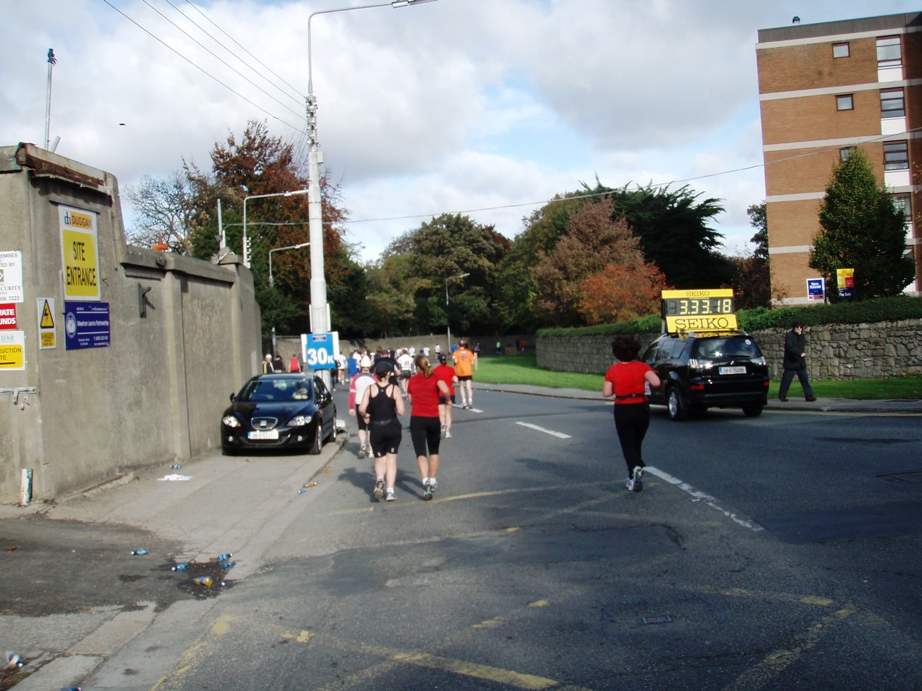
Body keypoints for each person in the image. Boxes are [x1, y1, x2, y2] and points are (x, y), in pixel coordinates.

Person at [602, 336, 661, 492]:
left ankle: (636, 466)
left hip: (623, 408)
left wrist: (619, 386)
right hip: (641, 407)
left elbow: (607, 393)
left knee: (627, 444)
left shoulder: (613, 369)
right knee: (636, 442)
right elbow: (656, 382)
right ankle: (633, 477)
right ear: (635, 351)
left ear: (616, 353)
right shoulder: (642, 367)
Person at [359, 361, 405, 502]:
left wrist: (366, 416)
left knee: (380, 459)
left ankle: (380, 479)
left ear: (376, 375)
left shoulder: (370, 389)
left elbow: (361, 408)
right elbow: (402, 411)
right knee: (391, 460)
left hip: (376, 427)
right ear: (388, 374)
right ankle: (390, 491)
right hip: (392, 426)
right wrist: (394, 407)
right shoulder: (394, 389)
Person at [407, 354, 450, 501]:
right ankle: (432, 480)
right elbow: (445, 389)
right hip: (433, 418)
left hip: (417, 419)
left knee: (420, 453)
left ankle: (425, 481)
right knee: (434, 451)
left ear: (417, 367)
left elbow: (410, 400)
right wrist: (448, 399)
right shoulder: (435, 377)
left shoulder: (412, 380)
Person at [779, 320, 817, 402]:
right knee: (787, 380)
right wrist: (799, 353)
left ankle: (808, 395)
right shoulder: (789, 336)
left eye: (801, 327)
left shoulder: (802, 336)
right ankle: (782, 395)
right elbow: (790, 347)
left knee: (804, 379)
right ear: (794, 328)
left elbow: (802, 345)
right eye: (798, 327)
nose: (799, 329)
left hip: (800, 362)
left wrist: (800, 336)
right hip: (791, 362)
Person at [348, 357, 375, 458]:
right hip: (371, 404)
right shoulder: (373, 378)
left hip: (359, 403)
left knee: (361, 426)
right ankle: (371, 450)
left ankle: (362, 444)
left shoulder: (356, 377)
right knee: (371, 428)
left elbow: (352, 393)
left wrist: (351, 407)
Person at [434, 353, 458, 438]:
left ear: (439, 361)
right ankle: (448, 431)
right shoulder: (450, 369)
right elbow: (455, 380)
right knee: (448, 412)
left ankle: (442, 425)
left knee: (441, 412)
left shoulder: (436, 370)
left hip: (440, 393)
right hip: (450, 392)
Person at [452, 340, 476, 409]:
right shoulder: (469, 352)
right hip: (468, 372)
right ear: (464, 345)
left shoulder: (456, 353)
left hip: (460, 372)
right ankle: (470, 401)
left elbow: (455, 361)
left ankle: (464, 402)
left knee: (461, 387)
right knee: (469, 387)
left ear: (458, 345)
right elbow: (472, 362)